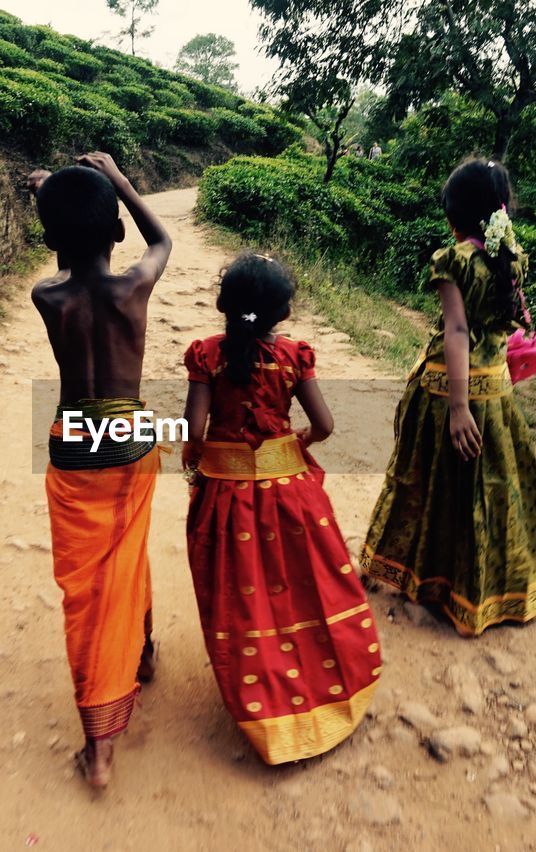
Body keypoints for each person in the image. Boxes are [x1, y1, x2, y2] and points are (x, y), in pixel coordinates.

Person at [181, 254, 380, 765]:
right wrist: (296, 444)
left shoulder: (206, 357)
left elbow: (195, 432)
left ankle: (261, 697)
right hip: (290, 495)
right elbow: (326, 425)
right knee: (305, 587)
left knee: (241, 594)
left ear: (224, 305)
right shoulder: (295, 357)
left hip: (228, 497)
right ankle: (326, 688)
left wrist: (194, 462)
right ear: (284, 314)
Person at [360, 157, 536, 636]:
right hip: (497, 392)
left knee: (427, 480)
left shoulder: (455, 260)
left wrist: (459, 407)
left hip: (451, 392)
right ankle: (485, 592)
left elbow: (457, 331)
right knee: (488, 490)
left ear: (454, 214)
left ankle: (426, 578)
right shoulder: (511, 256)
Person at [31, 152, 173, 789]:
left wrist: (54, 197)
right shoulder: (133, 288)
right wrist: (116, 181)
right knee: (131, 552)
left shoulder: (46, 297)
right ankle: (140, 653)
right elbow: (163, 237)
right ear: (117, 232)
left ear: (51, 240)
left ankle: (99, 749)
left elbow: (69, 259)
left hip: (74, 447)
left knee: (89, 593)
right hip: (130, 443)